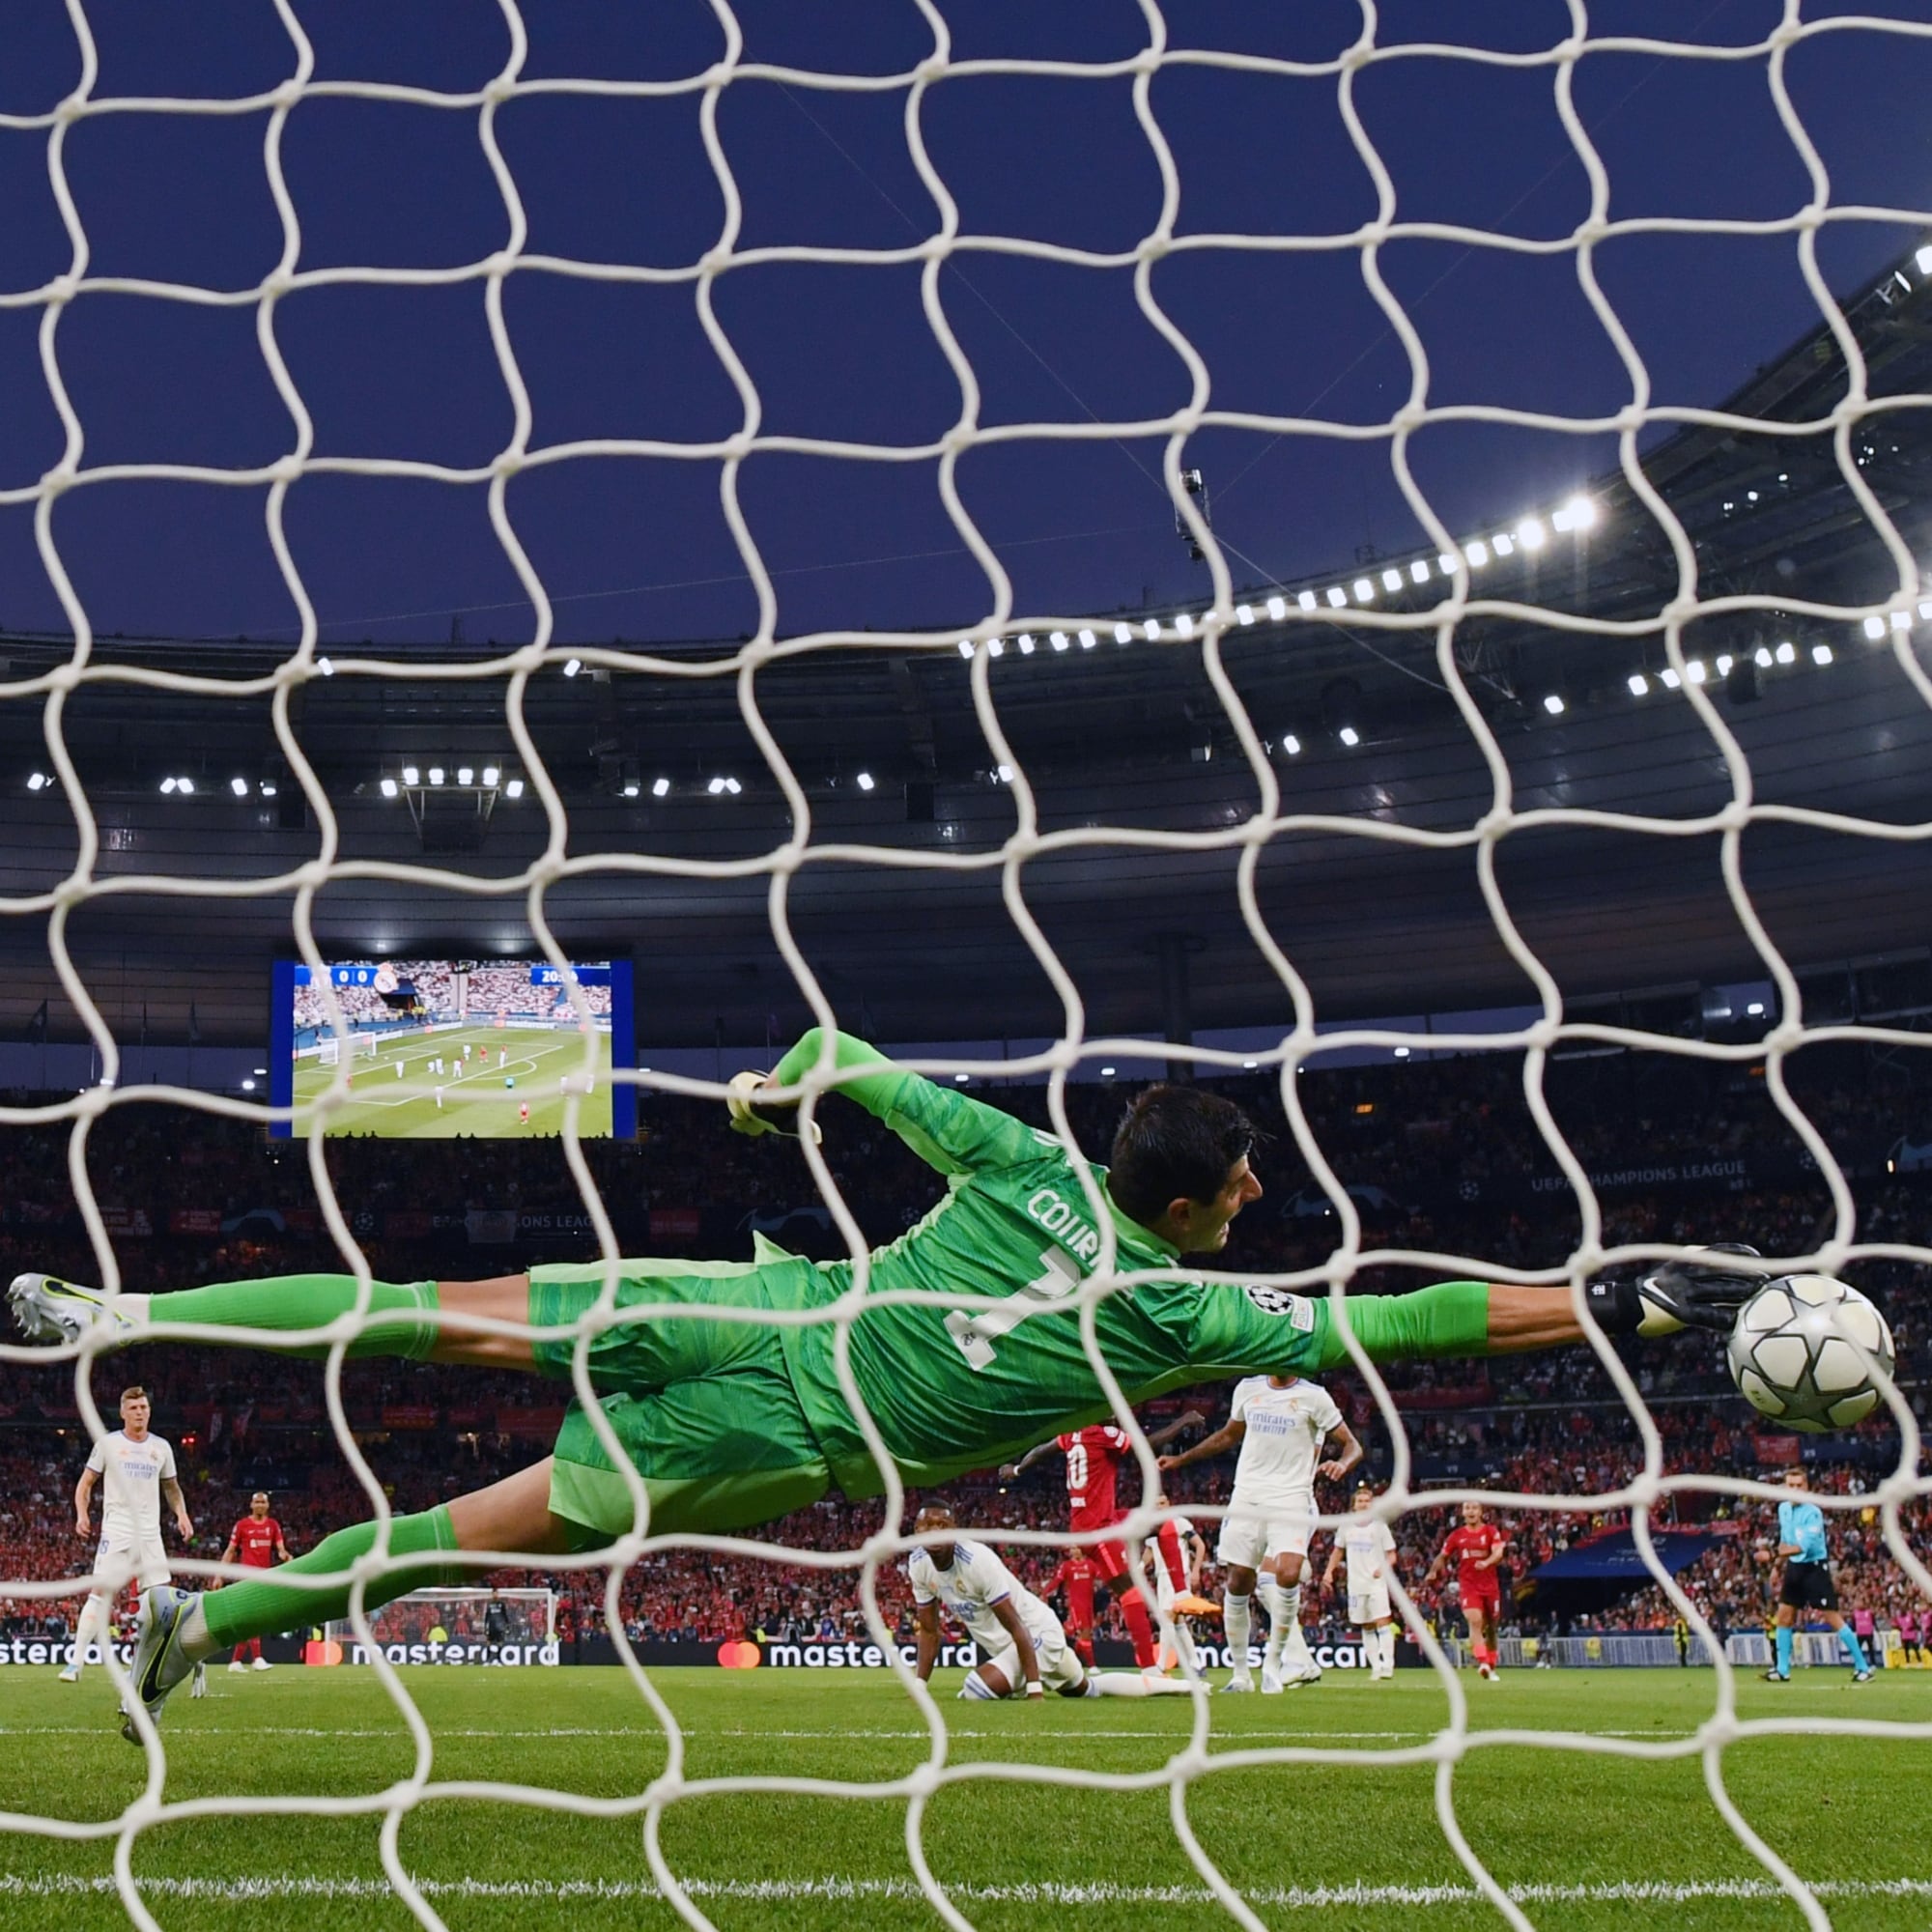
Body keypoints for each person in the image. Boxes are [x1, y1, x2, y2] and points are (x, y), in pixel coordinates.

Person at [7, 1027, 1781, 1737]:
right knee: (465, 1531)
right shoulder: (1182, 1319)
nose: (1255, 1199)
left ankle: (116, 1311)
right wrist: (1600, 1305)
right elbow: (1396, 1331)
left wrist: (795, 1083)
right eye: (1241, 1184)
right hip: (774, 1429)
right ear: (1189, 1198)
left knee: (411, 1312)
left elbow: (856, 1059)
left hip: (750, 1308)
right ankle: (212, 1633)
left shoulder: (1027, 1168)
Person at [1158, 1372, 1361, 1693]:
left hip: (1292, 1497)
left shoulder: (1315, 1397)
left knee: (1288, 1572)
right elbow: (1227, 1436)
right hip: (1247, 1497)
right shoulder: (1248, 1388)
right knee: (1239, 1580)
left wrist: (1342, 1464)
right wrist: (1182, 1459)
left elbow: (1353, 1446)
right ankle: (1241, 1676)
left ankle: (1273, 1667)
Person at [907, 1505, 1189, 1701]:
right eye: (927, 1526)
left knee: (976, 1688)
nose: (934, 1532)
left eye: (942, 1526)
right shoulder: (919, 1564)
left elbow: (1018, 1626)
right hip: (1013, 1647)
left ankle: (1018, 1684)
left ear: (954, 1528)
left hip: (1037, 1633)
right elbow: (930, 1631)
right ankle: (1183, 1686)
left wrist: (1034, 1689)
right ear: (916, 1530)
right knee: (1086, 1689)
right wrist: (919, 1686)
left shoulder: (977, 1561)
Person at [998, 1407, 1205, 1670]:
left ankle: (1182, 1594)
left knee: (1163, 1522)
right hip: (1098, 1530)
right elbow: (1147, 1445)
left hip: (1101, 1520)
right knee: (1131, 1594)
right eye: (1113, 1413)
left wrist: (1016, 1470)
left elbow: (1042, 1450)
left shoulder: (1073, 1434)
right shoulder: (1103, 1433)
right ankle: (1150, 1668)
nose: (1117, 1417)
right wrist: (1182, 1420)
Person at [60, 1386, 197, 1693]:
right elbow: (85, 1484)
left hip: (151, 1534)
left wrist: (182, 1515)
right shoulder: (108, 1444)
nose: (139, 1412)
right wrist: (82, 1514)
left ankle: (148, 1667)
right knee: (100, 1592)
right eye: (133, 1407)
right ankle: (76, 1662)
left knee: (159, 1603)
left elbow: (172, 1488)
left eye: (143, 1407)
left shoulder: (161, 1448)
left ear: (149, 1411)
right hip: (118, 1530)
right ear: (123, 1412)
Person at [1764, 1467, 1873, 1683]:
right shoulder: (1783, 1509)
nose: (1794, 1490)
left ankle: (1864, 1667)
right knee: (1784, 1616)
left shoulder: (1813, 1513)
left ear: (1806, 1488)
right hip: (1794, 1568)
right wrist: (1776, 1566)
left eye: (1799, 1485)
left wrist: (1770, 1555)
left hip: (1814, 1568)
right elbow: (1785, 1542)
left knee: (1831, 1616)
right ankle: (1782, 1669)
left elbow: (1801, 1546)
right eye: (1790, 1485)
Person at [1322, 1483, 1400, 1680]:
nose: (1364, 1504)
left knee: (1382, 1622)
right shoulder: (1346, 1526)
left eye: (1367, 1501)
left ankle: (1388, 1665)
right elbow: (1337, 1551)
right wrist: (1329, 1572)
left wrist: (1382, 1568)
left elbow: (1392, 1555)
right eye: (1361, 1501)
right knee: (1366, 1625)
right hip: (1355, 1585)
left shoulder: (1380, 1527)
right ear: (1354, 1505)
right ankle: (1375, 1667)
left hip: (1376, 1583)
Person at [1426, 1503, 1509, 1681]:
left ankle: (1491, 1664)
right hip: (1469, 1586)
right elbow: (1443, 1555)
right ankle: (1483, 1662)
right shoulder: (1457, 1535)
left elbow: (1499, 1552)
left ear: (1481, 1512)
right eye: (1467, 1508)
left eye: (1474, 1508)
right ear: (1463, 1512)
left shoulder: (1490, 1531)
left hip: (1490, 1586)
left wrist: (1486, 1562)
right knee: (1475, 1621)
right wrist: (1433, 1570)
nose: (1471, 1511)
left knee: (1492, 1628)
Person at [1143, 1492, 1216, 1677]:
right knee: (1178, 1623)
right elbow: (1149, 1551)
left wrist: (1196, 1570)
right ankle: (1197, 1664)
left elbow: (1200, 1545)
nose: (1159, 1507)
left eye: (1162, 1503)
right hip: (1161, 1576)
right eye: (1156, 1504)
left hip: (1178, 1577)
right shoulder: (1153, 1527)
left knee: (1168, 1618)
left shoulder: (1179, 1522)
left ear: (1168, 1504)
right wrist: (1140, 1567)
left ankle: (1160, 1666)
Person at [220, 1492, 293, 1673]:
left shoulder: (273, 1526)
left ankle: (236, 1661)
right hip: (246, 1577)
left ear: (267, 1506)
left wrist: (286, 1557)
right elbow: (230, 1551)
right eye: (257, 1502)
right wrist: (219, 1575)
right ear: (251, 1505)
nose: (260, 1505)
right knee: (255, 1617)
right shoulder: (242, 1525)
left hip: (264, 1577)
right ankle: (257, 1658)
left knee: (251, 1619)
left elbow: (281, 1550)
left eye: (263, 1502)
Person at [1046, 1547, 1100, 1666]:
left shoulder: (1090, 1564)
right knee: (1085, 1634)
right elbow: (1056, 1581)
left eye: (1078, 1548)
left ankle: (1071, 1661)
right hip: (1077, 1605)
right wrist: (1044, 1593)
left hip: (1090, 1605)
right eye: (1073, 1549)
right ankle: (1092, 1666)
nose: (1075, 1551)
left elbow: (1102, 1576)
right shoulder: (1067, 1566)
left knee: (1082, 1635)